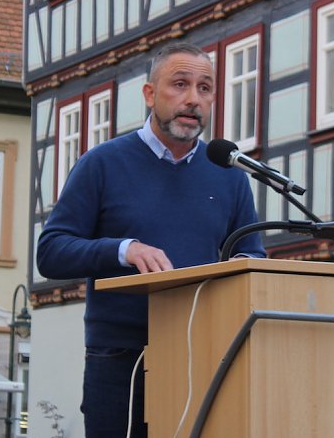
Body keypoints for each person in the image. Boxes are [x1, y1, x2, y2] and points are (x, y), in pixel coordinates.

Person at [36, 42, 265, 438]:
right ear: (149, 93)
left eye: (205, 88)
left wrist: (244, 268)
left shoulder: (229, 175)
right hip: (120, 358)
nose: (193, 99)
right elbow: (51, 251)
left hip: (203, 353)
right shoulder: (102, 163)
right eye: (180, 84)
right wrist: (123, 249)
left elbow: (250, 254)